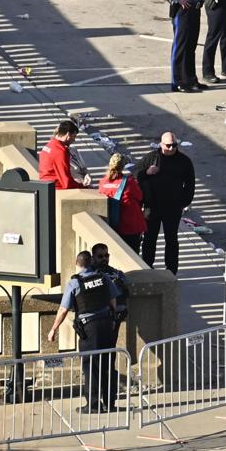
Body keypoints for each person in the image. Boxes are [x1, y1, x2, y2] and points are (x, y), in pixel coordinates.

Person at [54, 245, 127, 410]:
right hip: (107, 324)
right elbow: (113, 300)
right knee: (108, 362)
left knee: (91, 366)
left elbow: (63, 309)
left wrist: (54, 329)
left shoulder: (75, 283)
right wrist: (113, 317)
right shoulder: (104, 278)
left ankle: (93, 405)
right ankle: (110, 403)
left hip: (89, 328)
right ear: (91, 261)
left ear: (77, 263)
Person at [133, 132, 196, 273]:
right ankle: (147, 267)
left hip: (172, 208)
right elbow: (135, 173)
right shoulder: (151, 158)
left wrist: (182, 202)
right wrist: (147, 172)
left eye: (174, 145)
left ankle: (171, 270)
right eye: (168, 145)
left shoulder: (184, 161)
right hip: (152, 206)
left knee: (171, 240)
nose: (171, 148)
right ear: (161, 144)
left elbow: (190, 185)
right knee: (149, 239)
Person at [98, 152, 148, 243]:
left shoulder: (103, 182)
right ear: (123, 166)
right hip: (131, 226)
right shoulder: (129, 183)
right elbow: (140, 197)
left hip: (112, 225)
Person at [38, 119, 84, 190]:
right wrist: (83, 186)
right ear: (68, 134)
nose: (74, 140)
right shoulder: (60, 151)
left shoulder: (49, 145)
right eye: (74, 136)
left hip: (46, 186)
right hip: (56, 189)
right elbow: (66, 182)